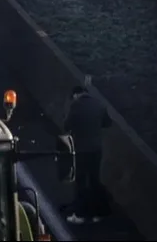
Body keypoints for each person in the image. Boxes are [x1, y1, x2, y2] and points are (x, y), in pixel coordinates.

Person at [63, 85, 112, 224]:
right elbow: (107, 123)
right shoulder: (99, 104)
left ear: (75, 95)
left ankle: (80, 214)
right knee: (94, 180)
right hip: (96, 149)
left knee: (80, 181)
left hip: (81, 149)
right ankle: (100, 212)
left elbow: (67, 125)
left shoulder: (76, 105)